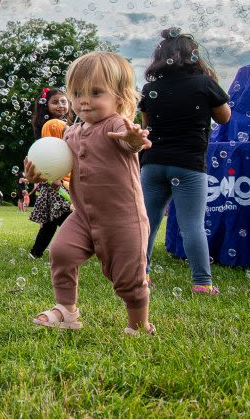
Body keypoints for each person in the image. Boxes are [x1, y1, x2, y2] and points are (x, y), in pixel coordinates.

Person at [26, 52, 155, 335]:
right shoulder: (71, 133)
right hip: (83, 215)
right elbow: (62, 167)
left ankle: (139, 325)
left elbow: (131, 144)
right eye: (77, 93)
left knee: (128, 281)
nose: (84, 100)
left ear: (119, 98)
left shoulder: (117, 126)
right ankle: (67, 311)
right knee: (60, 252)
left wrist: (134, 141)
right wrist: (40, 175)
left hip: (122, 219)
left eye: (95, 93)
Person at [139, 28, 231, 295]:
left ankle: (141, 276)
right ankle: (202, 283)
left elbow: (147, 126)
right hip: (189, 164)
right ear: (193, 56)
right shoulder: (204, 83)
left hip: (153, 163)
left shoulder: (150, 89)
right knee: (192, 225)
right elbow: (224, 117)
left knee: (148, 222)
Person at [27, 87, 75, 258]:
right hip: (57, 180)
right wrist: (55, 177)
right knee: (67, 218)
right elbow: (51, 154)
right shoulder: (53, 124)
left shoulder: (63, 124)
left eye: (63, 101)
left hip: (57, 179)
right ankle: (81, 246)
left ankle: (35, 253)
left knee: (50, 221)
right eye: (55, 102)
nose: (61, 105)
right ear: (45, 106)